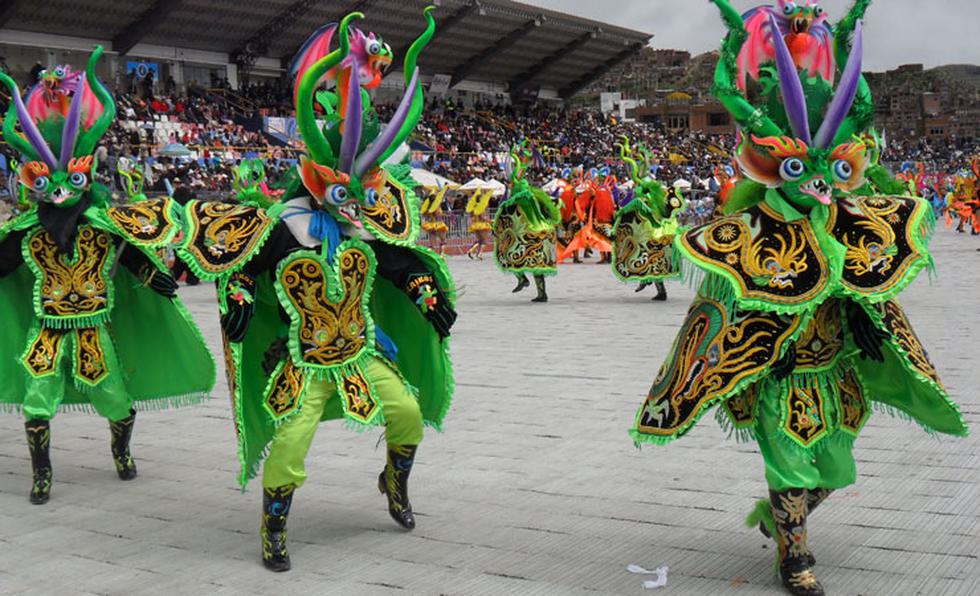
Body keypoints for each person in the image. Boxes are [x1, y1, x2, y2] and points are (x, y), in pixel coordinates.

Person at [630, 3, 968, 595]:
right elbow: (725, 308)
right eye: (800, 166)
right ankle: (794, 557)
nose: (815, 181)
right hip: (780, 376)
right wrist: (756, 353)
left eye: (827, 167)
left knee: (836, 471)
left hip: (833, 373)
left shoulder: (850, 218)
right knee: (788, 466)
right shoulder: (749, 228)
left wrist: (869, 323)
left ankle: (784, 520)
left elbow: (868, 285)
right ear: (775, 166)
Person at [176, 11, 456, 572]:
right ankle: (273, 527)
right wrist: (238, 301)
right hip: (303, 362)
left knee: (406, 412)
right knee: (291, 444)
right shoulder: (285, 227)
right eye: (340, 190)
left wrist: (427, 293)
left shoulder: (360, 228)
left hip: (361, 351)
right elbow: (247, 268)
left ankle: (394, 484)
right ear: (315, 176)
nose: (350, 204)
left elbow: (399, 262)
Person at [0, 47, 214, 504]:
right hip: (48, 332)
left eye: (70, 184)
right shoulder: (25, 233)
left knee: (115, 399)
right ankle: (42, 475)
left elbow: (134, 257)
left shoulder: (104, 226)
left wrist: (159, 279)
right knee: (38, 402)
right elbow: (4, 265)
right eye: (46, 185)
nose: (59, 197)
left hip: (95, 329)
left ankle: (122, 451)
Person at [611, 138, 684, 301]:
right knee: (652, 262)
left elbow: (636, 204)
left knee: (648, 259)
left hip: (651, 234)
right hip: (657, 232)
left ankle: (651, 283)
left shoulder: (644, 200)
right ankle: (652, 284)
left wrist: (621, 211)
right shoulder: (657, 200)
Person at [493, 141, 561, 302]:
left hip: (529, 231)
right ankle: (540, 292)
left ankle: (523, 279)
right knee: (535, 263)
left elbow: (511, 206)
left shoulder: (521, 193)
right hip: (540, 230)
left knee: (507, 253)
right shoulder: (527, 191)